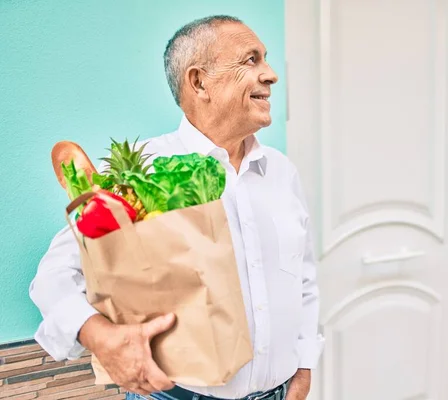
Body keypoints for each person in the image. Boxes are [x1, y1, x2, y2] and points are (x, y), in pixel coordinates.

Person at [29, 15, 324, 400]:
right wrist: (100, 337)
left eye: (265, 59)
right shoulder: (138, 171)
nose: (270, 75)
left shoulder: (282, 172)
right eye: (251, 60)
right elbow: (54, 276)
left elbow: (302, 276)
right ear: (198, 81)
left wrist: (302, 368)